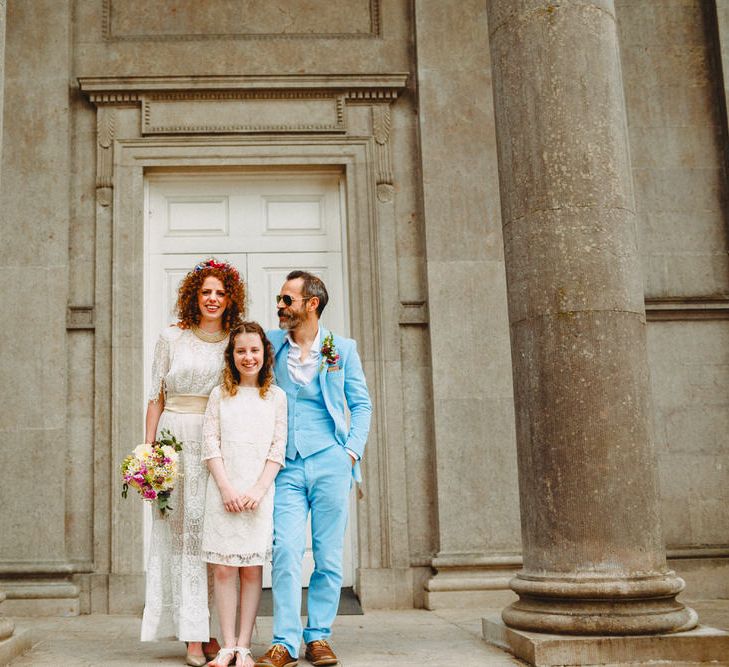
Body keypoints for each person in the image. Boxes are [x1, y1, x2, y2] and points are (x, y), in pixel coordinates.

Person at [255, 271, 372, 667]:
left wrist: (350, 453)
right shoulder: (270, 344)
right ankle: (284, 642)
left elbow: (361, 405)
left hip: (330, 461)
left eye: (287, 299)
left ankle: (319, 636)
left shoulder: (343, 349)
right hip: (286, 464)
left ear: (312, 304)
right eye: (280, 299)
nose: (280, 306)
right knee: (285, 550)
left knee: (328, 556)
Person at [140, 258, 246, 667]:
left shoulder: (235, 340)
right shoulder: (171, 337)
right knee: (181, 537)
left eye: (220, 292)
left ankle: (214, 631)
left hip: (215, 443)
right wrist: (149, 453)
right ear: (194, 296)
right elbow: (155, 397)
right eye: (206, 292)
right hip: (173, 442)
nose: (213, 299)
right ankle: (191, 636)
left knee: (212, 537)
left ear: (230, 298)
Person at [201, 322, 287, 667]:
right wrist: (226, 487)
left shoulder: (276, 397)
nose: (248, 357)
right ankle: (226, 645)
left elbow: (277, 447)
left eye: (254, 350)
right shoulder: (220, 395)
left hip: (257, 494)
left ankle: (244, 646)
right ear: (231, 355)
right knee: (223, 569)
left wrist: (258, 490)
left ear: (265, 354)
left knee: (252, 569)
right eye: (241, 351)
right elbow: (210, 443)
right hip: (223, 490)